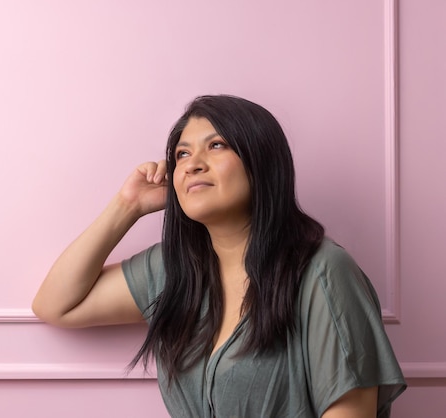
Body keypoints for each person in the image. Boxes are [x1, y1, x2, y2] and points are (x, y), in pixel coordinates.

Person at [32, 95, 406, 417]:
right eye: (182, 153)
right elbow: (55, 305)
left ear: (260, 161)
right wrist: (127, 205)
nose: (193, 163)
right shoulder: (172, 271)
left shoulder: (322, 272)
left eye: (216, 146)